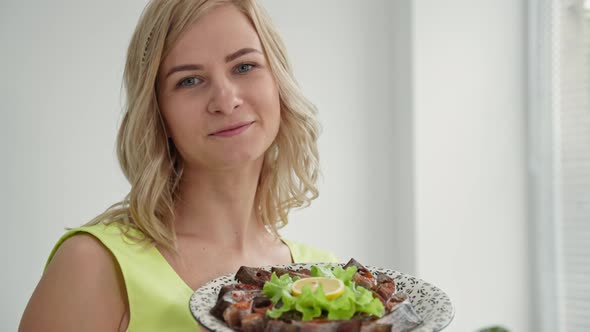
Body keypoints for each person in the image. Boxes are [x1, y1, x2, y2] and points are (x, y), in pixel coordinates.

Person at [18, 0, 338, 331]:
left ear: (279, 82)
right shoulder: (93, 266)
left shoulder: (328, 275)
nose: (226, 101)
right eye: (189, 80)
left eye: (244, 66)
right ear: (158, 113)